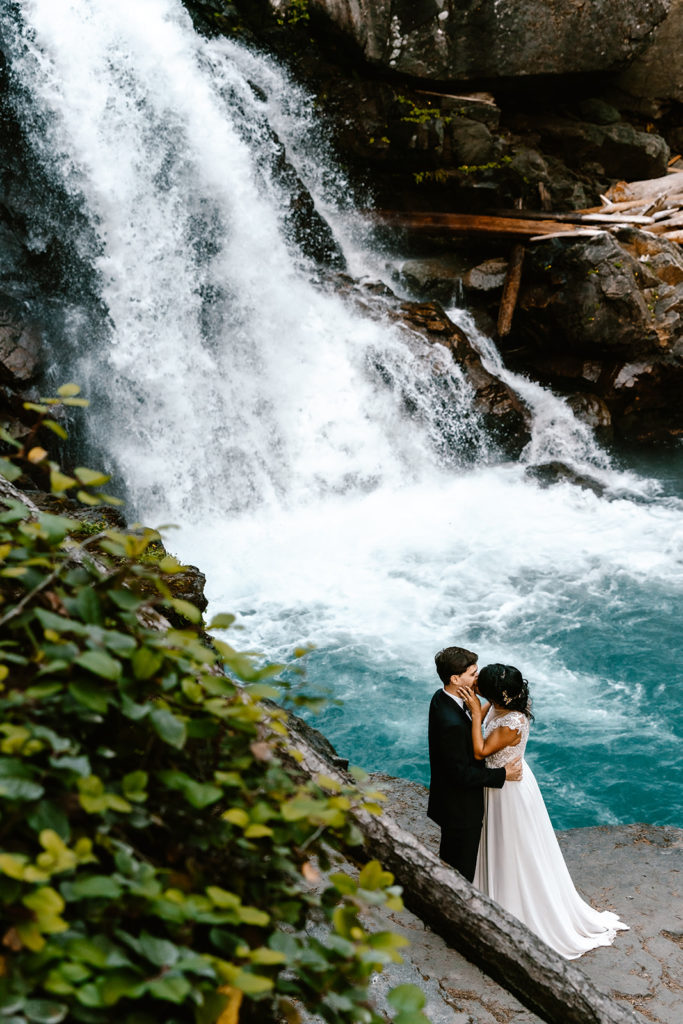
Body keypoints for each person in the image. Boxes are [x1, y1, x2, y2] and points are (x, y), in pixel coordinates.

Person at [458, 662, 628, 959]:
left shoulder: (511, 724)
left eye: (481, 687)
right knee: (502, 843)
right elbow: (490, 712)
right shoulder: (503, 706)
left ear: (498, 695)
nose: (477, 690)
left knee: (513, 847)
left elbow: (480, 751)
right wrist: (481, 705)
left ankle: (513, 905)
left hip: (507, 790)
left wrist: (474, 712)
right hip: (502, 783)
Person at [428, 646, 523, 881]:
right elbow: (461, 774)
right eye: (473, 674)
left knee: (453, 860)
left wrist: (491, 699)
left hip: (449, 801)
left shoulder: (442, 698)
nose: (477, 679)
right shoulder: (451, 723)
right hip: (460, 809)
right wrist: (502, 775)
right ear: (455, 678)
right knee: (459, 871)